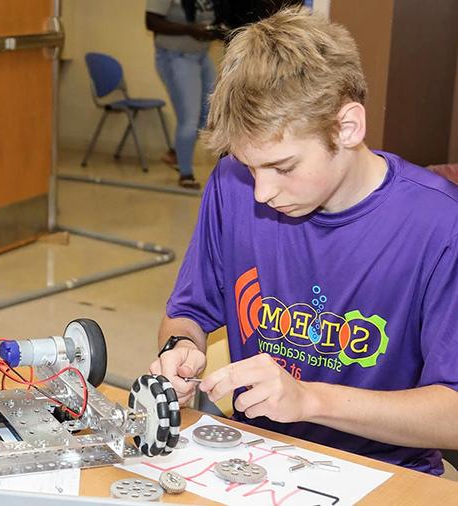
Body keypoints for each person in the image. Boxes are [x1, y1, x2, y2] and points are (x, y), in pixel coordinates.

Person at [149, 7, 458, 475]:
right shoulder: (231, 185)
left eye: (284, 167)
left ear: (347, 127)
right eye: (250, 166)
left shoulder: (439, 224)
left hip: (383, 473)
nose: (262, 192)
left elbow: (452, 415)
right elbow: (187, 314)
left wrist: (308, 399)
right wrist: (179, 351)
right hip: (252, 457)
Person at [145, 0, 222, 190]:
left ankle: (175, 152)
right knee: (189, 118)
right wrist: (190, 30)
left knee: (210, 115)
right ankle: (186, 173)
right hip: (176, 57)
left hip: (201, 56)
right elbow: (151, 22)